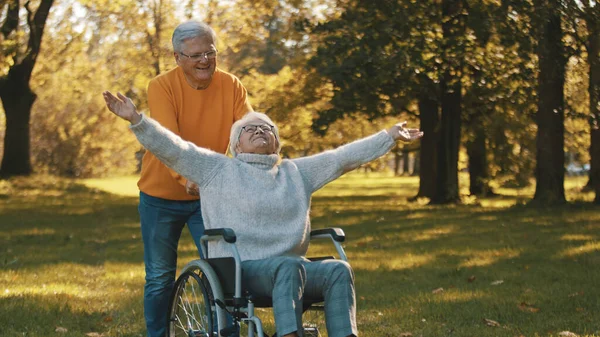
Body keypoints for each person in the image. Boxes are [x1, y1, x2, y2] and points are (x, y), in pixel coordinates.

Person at [103, 91, 423, 337]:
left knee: (338, 269)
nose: (259, 131)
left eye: (267, 128)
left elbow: (342, 158)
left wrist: (389, 136)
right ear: (236, 145)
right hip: (241, 271)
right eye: (250, 128)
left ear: (276, 143)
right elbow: (174, 148)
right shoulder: (217, 169)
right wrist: (137, 120)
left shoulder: (296, 172)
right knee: (289, 266)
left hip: (291, 271)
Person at [137, 20, 252, 337]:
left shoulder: (231, 85)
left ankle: (226, 332)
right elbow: (166, 140)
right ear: (178, 57)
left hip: (208, 196)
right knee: (160, 276)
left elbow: (248, 131)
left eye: (210, 52)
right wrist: (186, 176)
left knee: (224, 270)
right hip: (161, 198)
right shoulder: (162, 86)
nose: (204, 60)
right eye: (195, 55)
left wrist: (262, 165)